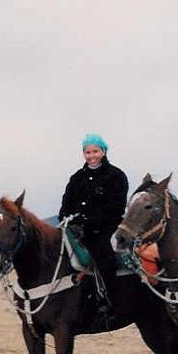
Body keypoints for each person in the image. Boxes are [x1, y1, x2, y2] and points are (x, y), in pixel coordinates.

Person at [59, 133, 129, 314]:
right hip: (75, 229)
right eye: (87, 152)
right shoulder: (76, 178)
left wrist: (92, 222)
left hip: (105, 229)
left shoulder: (116, 176)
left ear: (103, 152)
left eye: (95, 151)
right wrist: (66, 217)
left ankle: (111, 300)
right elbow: (66, 203)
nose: (91, 156)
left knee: (103, 255)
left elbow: (117, 207)